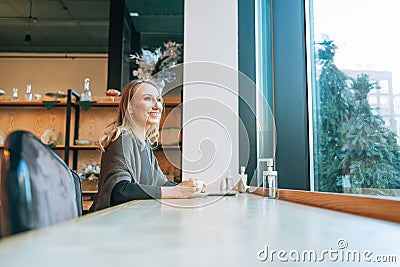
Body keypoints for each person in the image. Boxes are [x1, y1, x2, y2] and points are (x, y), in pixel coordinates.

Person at [89, 79, 196, 212]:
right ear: (130, 107)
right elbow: (120, 190)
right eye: (148, 99)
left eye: (158, 100)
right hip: (111, 224)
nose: (157, 106)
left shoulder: (144, 145)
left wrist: (187, 188)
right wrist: (177, 192)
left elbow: (162, 183)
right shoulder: (122, 138)